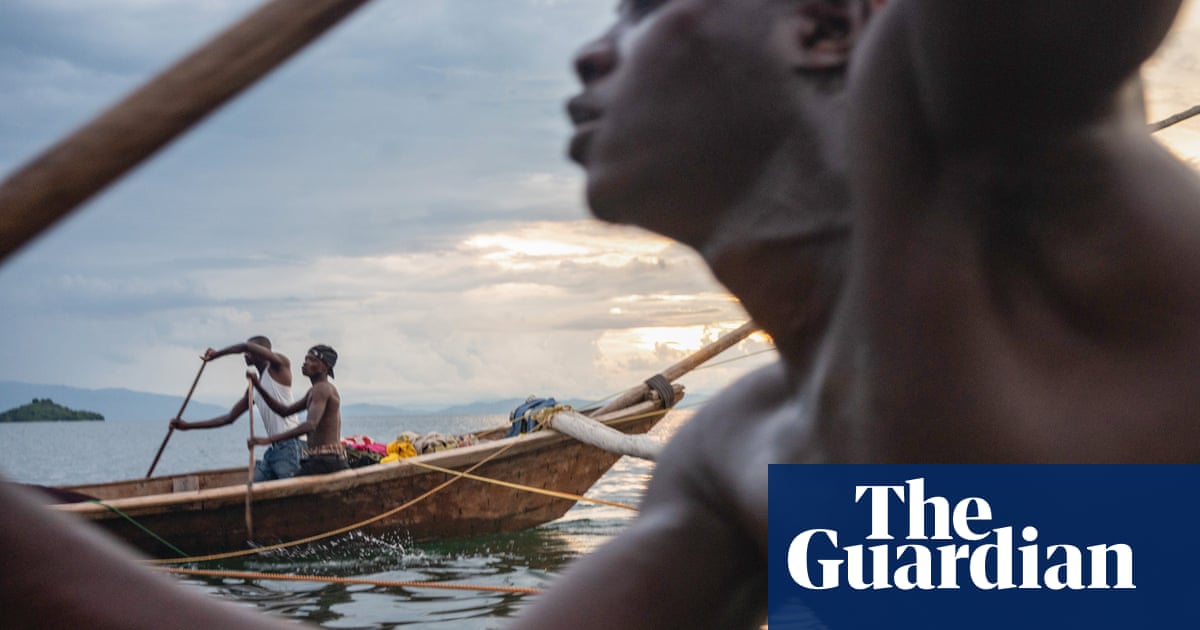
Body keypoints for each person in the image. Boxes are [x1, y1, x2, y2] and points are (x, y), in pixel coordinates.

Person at [513, 0, 1200, 628]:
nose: (590, 54)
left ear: (826, 27)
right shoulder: (745, 455)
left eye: (645, 9)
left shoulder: (997, 128)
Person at [170, 336, 303, 481]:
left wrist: (216, 355)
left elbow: (244, 347)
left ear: (261, 352)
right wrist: (187, 426)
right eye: (247, 350)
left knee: (291, 489)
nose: (245, 355)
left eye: (250, 350)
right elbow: (228, 418)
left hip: (292, 445)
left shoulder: (279, 366)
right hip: (276, 449)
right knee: (253, 487)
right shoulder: (254, 387)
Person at [248, 344, 347, 476]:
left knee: (290, 490)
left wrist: (269, 440)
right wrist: (258, 386)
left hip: (327, 461)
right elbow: (284, 411)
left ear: (326, 367)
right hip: (319, 459)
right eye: (306, 359)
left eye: (312, 360)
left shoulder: (322, 389)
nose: (306, 363)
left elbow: (310, 425)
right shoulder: (314, 391)